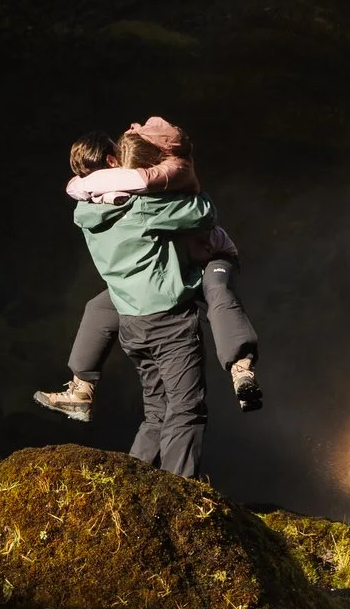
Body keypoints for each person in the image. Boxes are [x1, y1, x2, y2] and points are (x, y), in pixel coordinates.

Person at [34, 118, 261, 423]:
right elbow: (85, 185)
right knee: (102, 305)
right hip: (171, 265)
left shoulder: (166, 170)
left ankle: (240, 369)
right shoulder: (129, 175)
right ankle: (81, 389)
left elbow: (191, 206)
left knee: (217, 291)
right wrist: (95, 189)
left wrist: (94, 188)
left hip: (209, 255)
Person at [54, 125, 222, 479]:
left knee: (157, 411)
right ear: (115, 164)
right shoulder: (143, 207)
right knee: (186, 409)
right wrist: (178, 171)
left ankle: (133, 481)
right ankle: (181, 491)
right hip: (170, 321)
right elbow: (203, 212)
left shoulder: (85, 213)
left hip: (131, 323)